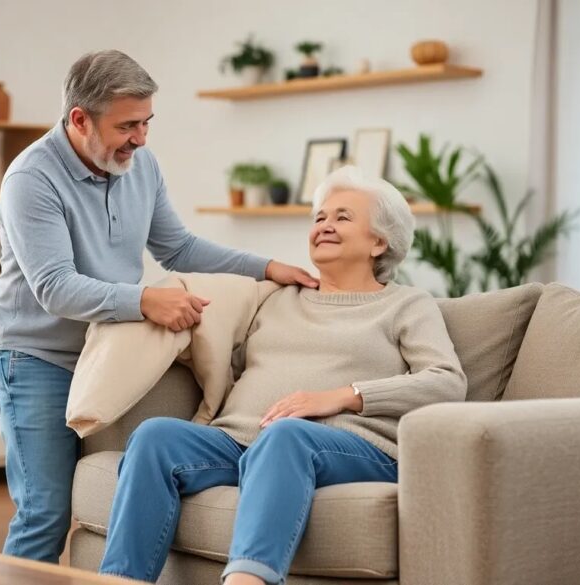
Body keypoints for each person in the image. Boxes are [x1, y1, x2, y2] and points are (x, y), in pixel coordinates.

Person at [0, 50, 317, 563]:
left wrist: (268, 266)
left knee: (106, 492)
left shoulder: (140, 165)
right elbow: (54, 286)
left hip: (110, 356)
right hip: (37, 360)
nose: (140, 138)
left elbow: (179, 248)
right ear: (79, 119)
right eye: (127, 126)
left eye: (146, 123)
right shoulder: (31, 179)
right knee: (45, 511)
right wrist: (144, 300)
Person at [98, 166, 468, 584]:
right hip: (241, 440)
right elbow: (233, 362)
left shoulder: (406, 304)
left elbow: (447, 381)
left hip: (350, 447)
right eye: (319, 218)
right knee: (154, 437)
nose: (325, 226)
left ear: (380, 242)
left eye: (343, 217)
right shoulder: (276, 299)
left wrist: (342, 395)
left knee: (286, 435)